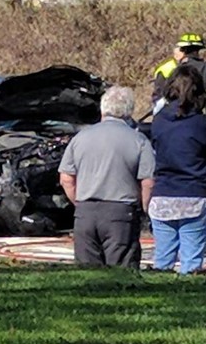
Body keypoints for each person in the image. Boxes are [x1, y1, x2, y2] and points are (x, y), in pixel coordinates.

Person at [58, 86, 154, 269]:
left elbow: (66, 179)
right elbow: (148, 181)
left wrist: (80, 203)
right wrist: (144, 208)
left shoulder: (80, 138)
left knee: (87, 273)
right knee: (121, 273)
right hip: (121, 214)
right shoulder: (139, 140)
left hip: (85, 213)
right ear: (129, 112)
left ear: (102, 109)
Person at [149, 65, 206, 275]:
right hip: (194, 193)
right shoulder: (203, 124)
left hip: (163, 193)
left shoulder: (158, 121)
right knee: (192, 261)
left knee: (162, 259)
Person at [152, 33, 206, 116]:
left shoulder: (166, 68)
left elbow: (158, 96)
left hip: (168, 115)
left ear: (183, 50)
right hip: (196, 115)